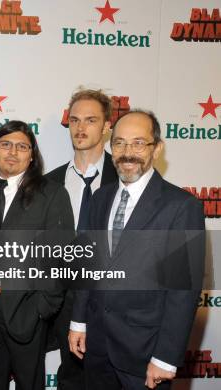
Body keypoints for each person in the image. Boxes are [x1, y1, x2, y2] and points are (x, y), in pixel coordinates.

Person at [68, 110, 205, 389]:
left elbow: (182, 291)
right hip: (97, 347)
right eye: (119, 143)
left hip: (145, 354)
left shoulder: (181, 206)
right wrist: (78, 321)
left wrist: (165, 357)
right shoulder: (100, 198)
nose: (127, 152)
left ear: (157, 149)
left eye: (138, 143)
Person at [0, 120, 74, 390]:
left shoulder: (51, 194)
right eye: (5, 145)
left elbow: (62, 256)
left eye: (22, 146)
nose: (12, 152)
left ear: (32, 155)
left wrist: (42, 308)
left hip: (26, 310)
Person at [45, 89, 118, 389]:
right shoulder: (50, 182)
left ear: (106, 127)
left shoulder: (125, 176)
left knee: (112, 378)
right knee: (71, 377)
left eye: (90, 120)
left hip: (111, 299)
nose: (80, 127)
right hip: (64, 299)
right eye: (74, 120)